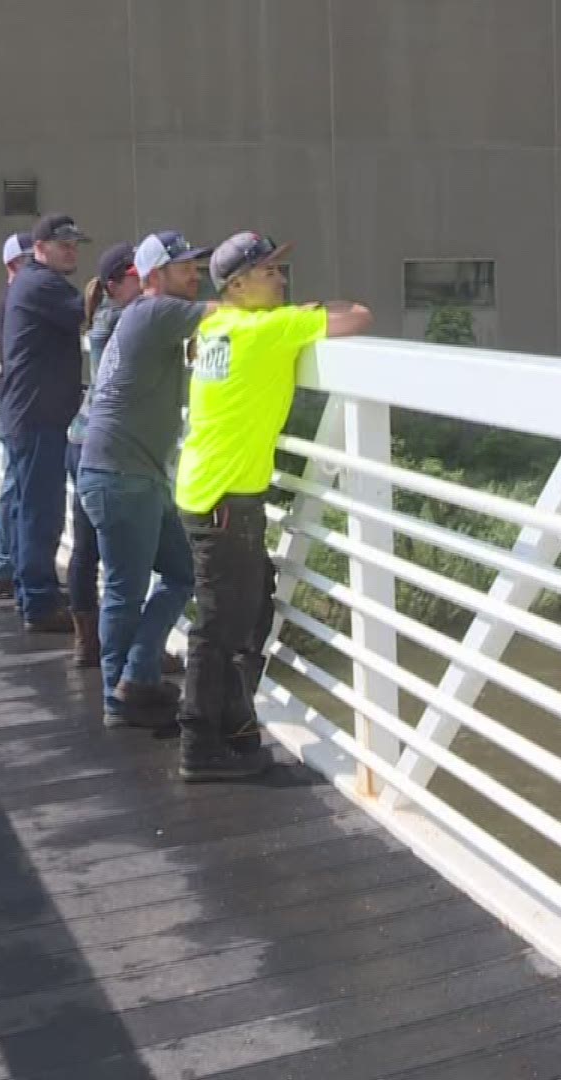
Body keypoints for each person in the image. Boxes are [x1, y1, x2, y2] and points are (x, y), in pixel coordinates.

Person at [173, 231, 371, 782]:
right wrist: (307, 310)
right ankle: (199, 747)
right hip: (226, 498)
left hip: (211, 489)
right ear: (236, 284)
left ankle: (235, 726)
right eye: (269, 272)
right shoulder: (267, 330)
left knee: (249, 610)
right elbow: (358, 315)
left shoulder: (215, 327)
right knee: (219, 626)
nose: (282, 281)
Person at [78, 231, 216, 728]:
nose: (195, 275)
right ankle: (122, 694)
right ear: (154, 276)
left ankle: (136, 675)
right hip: (120, 476)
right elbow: (228, 316)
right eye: (186, 268)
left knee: (181, 574)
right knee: (124, 589)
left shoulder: (149, 316)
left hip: (135, 474)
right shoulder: (156, 310)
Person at [0, 212, 90, 634]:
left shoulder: (27, 283)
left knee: (25, 507)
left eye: (74, 244)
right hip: (38, 415)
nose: (71, 251)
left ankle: (29, 591)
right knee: (41, 511)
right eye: (63, 244)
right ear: (39, 249)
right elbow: (85, 312)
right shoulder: (43, 284)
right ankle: (38, 602)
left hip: (26, 412)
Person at [66, 241, 141, 667]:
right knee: (119, 551)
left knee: (86, 547)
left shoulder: (104, 318)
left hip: (79, 438)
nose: (145, 284)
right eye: (137, 277)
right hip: (105, 447)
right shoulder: (123, 320)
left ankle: (87, 642)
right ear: (114, 285)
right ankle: (124, 653)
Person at [0, 231, 34, 600]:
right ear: (11, 265)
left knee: (13, 485)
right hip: (14, 403)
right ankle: (5, 566)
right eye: (28, 259)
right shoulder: (19, 299)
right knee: (16, 487)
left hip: (8, 401)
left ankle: (6, 564)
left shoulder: (14, 298)